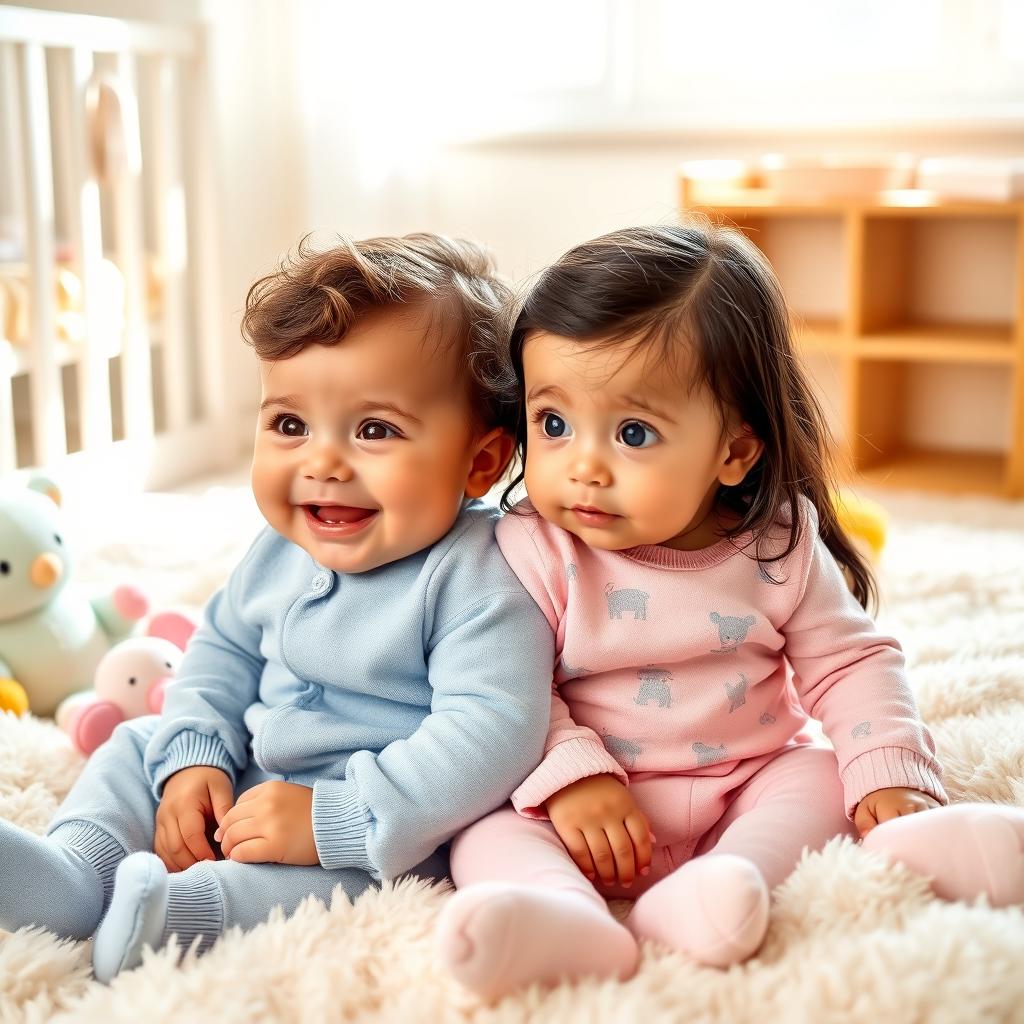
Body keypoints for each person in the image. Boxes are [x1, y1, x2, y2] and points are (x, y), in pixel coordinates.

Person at [436, 222, 1024, 1001]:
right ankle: (565, 916)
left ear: (734, 452)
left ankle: (745, 876)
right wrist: (571, 776)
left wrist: (886, 772)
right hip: (584, 810)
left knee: (820, 776)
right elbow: (498, 688)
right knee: (482, 830)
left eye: (634, 433)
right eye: (553, 423)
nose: (582, 465)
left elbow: (850, 661)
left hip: (743, 780)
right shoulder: (528, 550)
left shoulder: (775, 541)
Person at [0, 233, 553, 982]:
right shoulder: (277, 551)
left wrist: (332, 822)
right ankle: (75, 872)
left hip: (368, 815)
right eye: (289, 425)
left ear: (479, 462)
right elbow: (220, 650)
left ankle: (183, 913)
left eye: (374, 430)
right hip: (251, 770)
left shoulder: (478, 575)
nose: (321, 463)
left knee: (374, 878)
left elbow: (491, 728)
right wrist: (195, 758)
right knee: (138, 746)